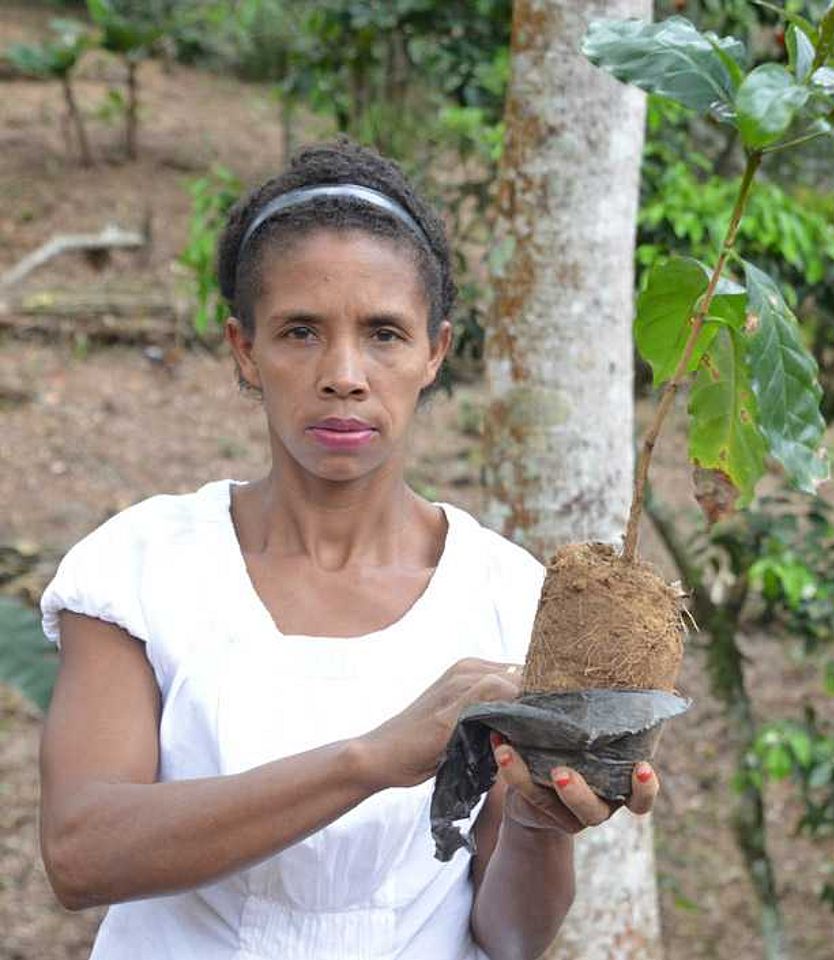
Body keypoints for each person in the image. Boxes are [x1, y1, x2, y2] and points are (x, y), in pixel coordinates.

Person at [37, 139, 659, 960]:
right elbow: (81, 853)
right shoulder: (144, 567)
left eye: (384, 334)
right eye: (299, 331)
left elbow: (507, 937)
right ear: (243, 349)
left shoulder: (507, 593)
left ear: (434, 352)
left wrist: (543, 825)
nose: (343, 374)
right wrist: (369, 761)